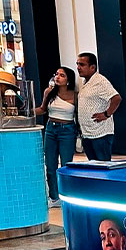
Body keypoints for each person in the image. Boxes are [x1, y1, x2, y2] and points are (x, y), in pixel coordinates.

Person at [35, 67, 77, 208]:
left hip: (67, 130)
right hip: (51, 129)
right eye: (57, 74)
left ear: (68, 79)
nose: (58, 77)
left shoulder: (75, 95)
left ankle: (67, 195)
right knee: (50, 164)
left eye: (62, 75)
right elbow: (42, 109)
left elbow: (78, 114)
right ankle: (54, 197)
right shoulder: (49, 92)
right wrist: (27, 111)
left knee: (66, 165)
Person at [76, 52, 122, 161]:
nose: (78, 67)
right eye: (77, 64)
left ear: (92, 67)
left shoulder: (100, 81)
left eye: (82, 65)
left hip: (100, 134)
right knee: (94, 166)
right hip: (88, 134)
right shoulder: (86, 82)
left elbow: (116, 98)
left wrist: (106, 114)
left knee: (103, 166)